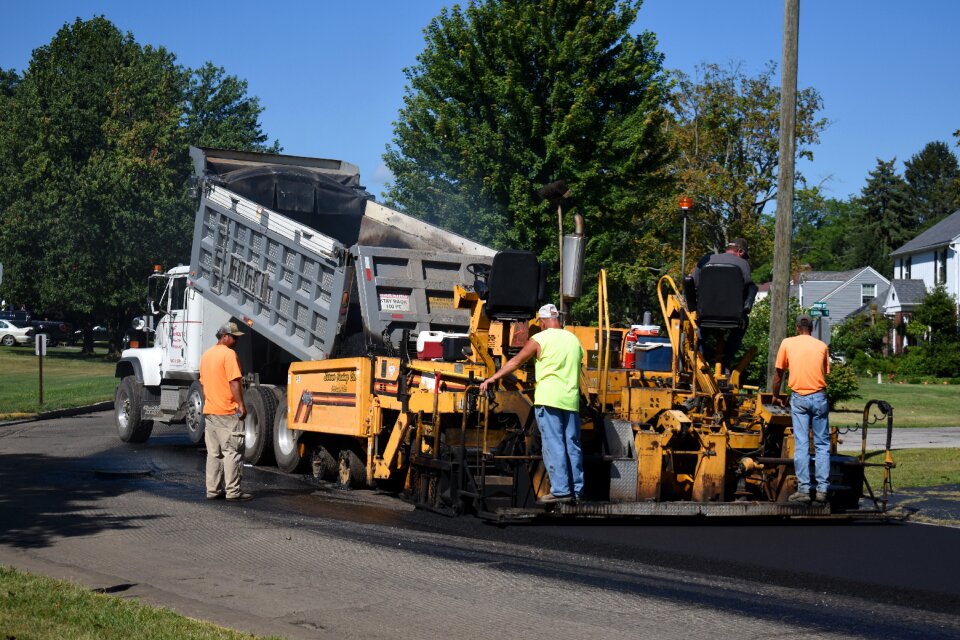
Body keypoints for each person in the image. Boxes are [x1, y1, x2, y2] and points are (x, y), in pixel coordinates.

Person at [479, 303, 585, 504]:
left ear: (543, 321)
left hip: (549, 398)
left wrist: (493, 378)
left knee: (554, 444)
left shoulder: (539, 339)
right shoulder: (574, 340)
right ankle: (577, 490)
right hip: (571, 401)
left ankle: (561, 491)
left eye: (541, 323)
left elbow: (516, 362)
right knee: (573, 444)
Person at [771, 314, 831, 505]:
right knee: (822, 445)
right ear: (811, 329)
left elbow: (778, 373)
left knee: (802, 443)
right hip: (819, 396)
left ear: (797, 328)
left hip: (800, 398)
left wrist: (776, 395)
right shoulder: (822, 346)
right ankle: (822, 490)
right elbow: (824, 373)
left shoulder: (787, 343)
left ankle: (804, 490)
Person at [199, 321, 251, 501]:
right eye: (234, 337)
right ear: (224, 336)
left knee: (214, 453)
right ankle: (233, 491)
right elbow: (234, 381)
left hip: (211, 410)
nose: (236, 340)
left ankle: (213, 490)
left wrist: (209, 403)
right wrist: (240, 404)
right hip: (228, 411)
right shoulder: (229, 355)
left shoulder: (206, 355)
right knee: (232, 452)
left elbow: (204, 385)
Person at [691, 237, 758, 370]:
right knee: (743, 323)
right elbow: (746, 288)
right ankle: (725, 363)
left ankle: (699, 362)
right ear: (739, 251)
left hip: (705, 315)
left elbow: (694, 283)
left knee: (698, 331)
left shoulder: (706, 261)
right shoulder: (743, 264)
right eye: (744, 255)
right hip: (733, 317)